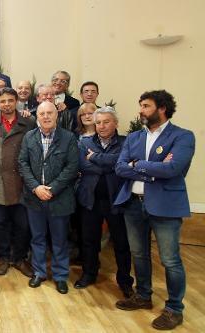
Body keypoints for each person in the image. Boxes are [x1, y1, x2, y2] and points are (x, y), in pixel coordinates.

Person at [114, 90, 195, 330]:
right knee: (139, 254)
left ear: (162, 108)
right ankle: (143, 295)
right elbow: (120, 168)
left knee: (170, 260)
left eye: (146, 106)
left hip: (165, 206)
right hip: (133, 204)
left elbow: (173, 170)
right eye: (140, 105)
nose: (141, 110)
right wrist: (154, 168)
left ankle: (174, 308)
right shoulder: (134, 137)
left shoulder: (183, 136)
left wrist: (137, 165)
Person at [18, 101, 79, 294]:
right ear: (37, 117)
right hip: (34, 198)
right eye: (42, 113)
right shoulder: (29, 137)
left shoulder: (68, 138)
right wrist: (36, 188)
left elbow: (72, 167)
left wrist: (51, 189)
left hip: (59, 199)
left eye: (49, 113)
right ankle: (39, 272)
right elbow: (23, 164)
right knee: (37, 238)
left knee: (60, 239)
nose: (45, 116)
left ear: (56, 115)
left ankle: (61, 276)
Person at [75, 106, 134, 298]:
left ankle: (124, 281)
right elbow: (83, 165)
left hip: (116, 200)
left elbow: (124, 166)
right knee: (89, 240)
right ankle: (89, 274)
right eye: (98, 122)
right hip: (90, 199)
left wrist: (97, 159)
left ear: (115, 123)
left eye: (106, 122)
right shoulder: (85, 142)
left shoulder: (126, 142)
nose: (101, 126)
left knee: (121, 243)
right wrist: (113, 164)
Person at [0, 88, 36, 278]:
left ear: (16, 102)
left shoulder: (28, 123)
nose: (6, 104)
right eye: (3, 101)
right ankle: (4, 257)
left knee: (22, 225)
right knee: (1, 224)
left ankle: (20, 258)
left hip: (21, 182)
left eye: (10, 101)